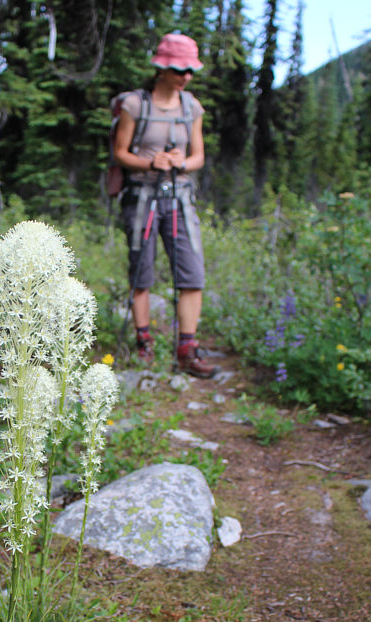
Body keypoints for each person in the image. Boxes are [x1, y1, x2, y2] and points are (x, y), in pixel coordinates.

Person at [113, 32, 218, 378]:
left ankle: (187, 349)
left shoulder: (192, 107)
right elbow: (120, 152)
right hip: (141, 196)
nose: (185, 76)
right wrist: (150, 162)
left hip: (179, 196)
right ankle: (144, 343)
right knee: (141, 271)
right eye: (178, 69)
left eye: (190, 70)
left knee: (192, 272)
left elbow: (198, 156)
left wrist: (180, 162)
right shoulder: (135, 105)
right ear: (161, 68)